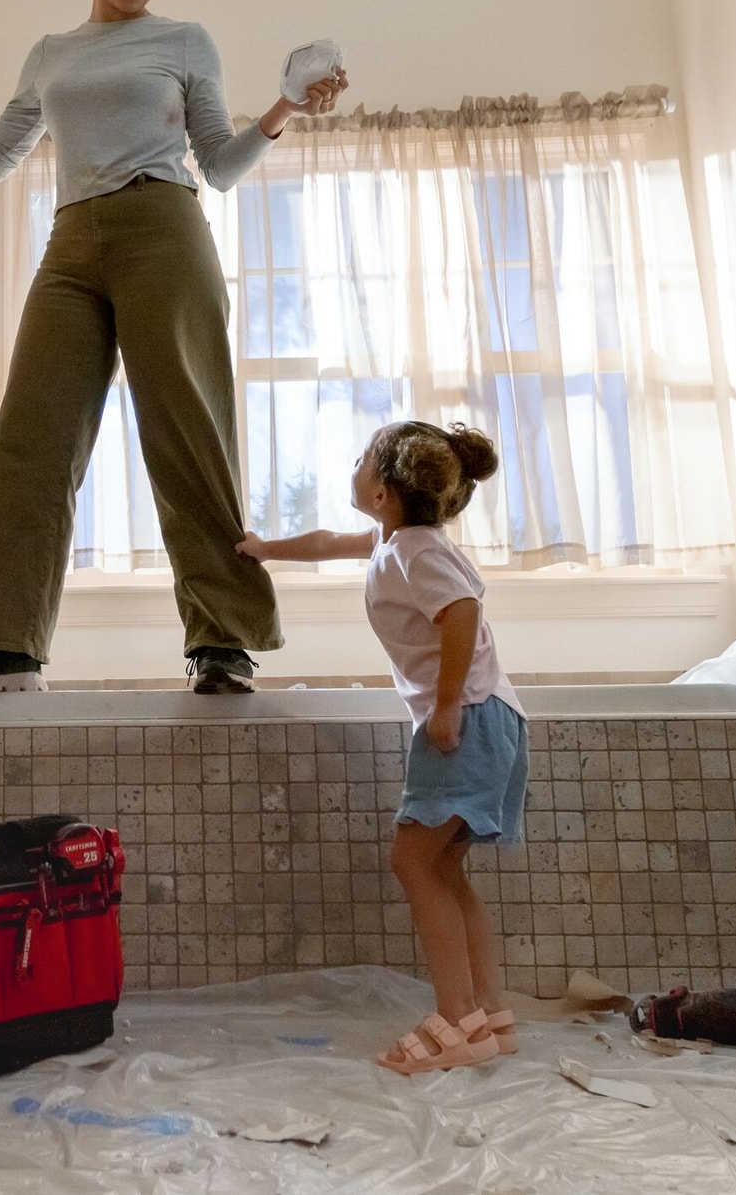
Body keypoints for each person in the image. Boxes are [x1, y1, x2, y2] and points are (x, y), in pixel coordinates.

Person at [0, 0, 348, 694]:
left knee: (187, 428)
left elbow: (221, 163)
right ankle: (3, 647)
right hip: (71, 243)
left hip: (163, 230)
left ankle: (223, 641)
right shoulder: (50, 54)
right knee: (32, 434)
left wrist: (282, 108)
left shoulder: (184, 42)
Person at [235, 421, 529, 1073]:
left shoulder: (414, 553)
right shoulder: (396, 539)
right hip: (494, 716)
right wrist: (264, 547)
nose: (356, 460)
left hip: (469, 717)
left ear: (384, 493)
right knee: (444, 868)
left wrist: (448, 705)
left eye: (366, 456)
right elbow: (324, 541)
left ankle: (455, 1023)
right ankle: (490, 1016)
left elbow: (461, 612)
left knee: (413, 861)